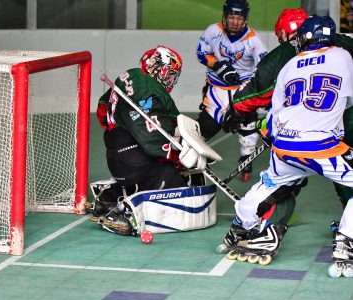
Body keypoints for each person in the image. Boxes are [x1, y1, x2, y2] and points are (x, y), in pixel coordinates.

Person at [221, 15, 353, 277]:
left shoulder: (289, 65)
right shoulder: (344, 56)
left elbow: (275, 111)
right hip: (321, 145)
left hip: (285, 143)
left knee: (270, 182)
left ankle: (242, 226)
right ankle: (346, 243)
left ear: (304, 38)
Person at [91, 45, 215, 235]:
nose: (171, 79)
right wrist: (178, 156)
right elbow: (152, 139)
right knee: (174, 178)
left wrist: (121, 127)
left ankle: (112, 195)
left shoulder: (130, 76)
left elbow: (102, 109)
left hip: (119, 157)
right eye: (170, 73)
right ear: (156, 66)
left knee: (166, 169)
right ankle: (124, 211)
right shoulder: (148, 88)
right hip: (133, 161)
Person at [196, 0, 268, 181]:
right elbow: (201, 52)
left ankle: (247, 157)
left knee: (248, 126)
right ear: (225, 16)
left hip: (243, 89)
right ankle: (192, 154)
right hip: (217, 89)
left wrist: (263, 94)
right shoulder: (213, 31)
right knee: (206, 126)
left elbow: (264, 69)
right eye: (231, 17)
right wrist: (218, 66)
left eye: (239, 18)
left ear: (245, 19)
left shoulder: (254, 41)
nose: (235, 22)